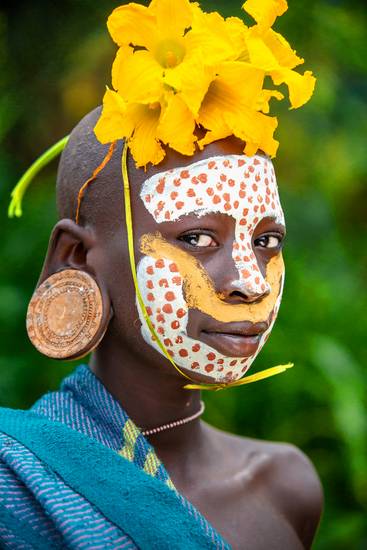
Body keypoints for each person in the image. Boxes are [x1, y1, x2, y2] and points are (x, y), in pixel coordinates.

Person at [0, 0, 323, 548]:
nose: (251, 281)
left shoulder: (289, 488)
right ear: (77, 258)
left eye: (266, 241)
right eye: (196, 238)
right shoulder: (16, 490)